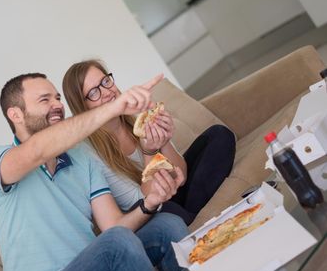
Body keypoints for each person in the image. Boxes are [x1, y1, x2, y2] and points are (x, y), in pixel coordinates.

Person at [0, 72, 189, 271]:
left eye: (57, 98)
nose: (58, 105)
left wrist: (149, 203)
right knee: (117, 241)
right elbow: (36, 151)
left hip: (92, 264)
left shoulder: (81, 158)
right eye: (45, 100)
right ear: (15, 114)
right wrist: (113, 108)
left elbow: (114, 226)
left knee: (167, 225)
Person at [62, 60, 236, 225]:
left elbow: (180, 175)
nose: (107, 92)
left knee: (219, 135)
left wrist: (164, 141)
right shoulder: (91, 154)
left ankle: (193, 214)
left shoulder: (137, 119)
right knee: (168, 210)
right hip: (152, 209)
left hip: (173, 191)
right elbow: (143, 202)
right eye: (93, 93)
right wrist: (149, 153)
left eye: (106, 81)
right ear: (82, 107)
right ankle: (193, 213)